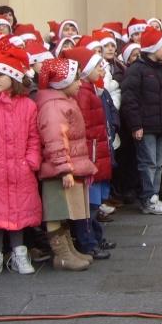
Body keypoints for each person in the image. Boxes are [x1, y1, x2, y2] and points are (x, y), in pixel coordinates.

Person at [0, 47, 42, 277]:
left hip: (21, 169)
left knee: (19, 213)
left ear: (13, 77)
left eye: (1, 74)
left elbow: (33, 136)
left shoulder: (28, 105)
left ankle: (19, 253)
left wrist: (31, 160)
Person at [36, 58, 95, 271]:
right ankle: (61, 255)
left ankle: (69, 250)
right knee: (56, 212)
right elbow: (54, 138)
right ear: (62, 82)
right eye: (76, 79)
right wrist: (64, 169)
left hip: (67, 166)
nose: (80, 83)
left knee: (65, 211)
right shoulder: (54, 106)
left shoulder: (64, 101)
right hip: (59, 169)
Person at [120, 28, 162, 215]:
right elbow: (129, 99)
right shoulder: (136, 70)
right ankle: (148, 198)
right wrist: (135, 125)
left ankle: (154, 195)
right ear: (153, 48)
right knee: (148, 162)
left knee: (159, 162)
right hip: (145, 127)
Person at [62, 47, 113, 258]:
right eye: (97, 66)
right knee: (88, 203)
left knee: (93, 201)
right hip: (89, 153)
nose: (102, 69)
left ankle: (94, 237)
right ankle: (87, 241)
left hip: (96, 150)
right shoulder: (83, 93)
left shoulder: (91, 90)